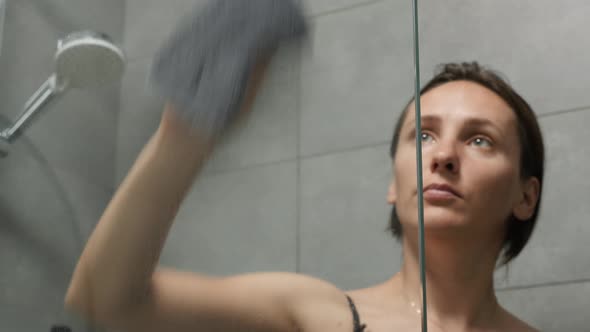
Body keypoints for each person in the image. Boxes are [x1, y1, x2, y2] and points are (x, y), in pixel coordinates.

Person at [63, 59, 544, 332]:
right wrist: (181, 140)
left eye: (480, 139)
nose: (442, 156)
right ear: (393, 185)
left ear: (526, 196)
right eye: (422, 136)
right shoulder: (314, 315)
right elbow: (103, 299)